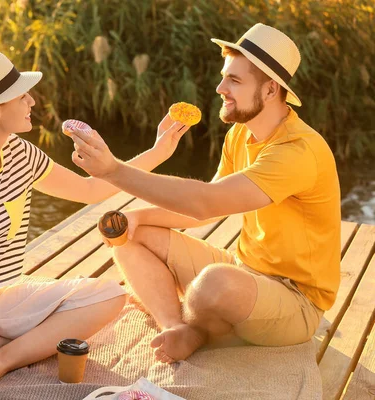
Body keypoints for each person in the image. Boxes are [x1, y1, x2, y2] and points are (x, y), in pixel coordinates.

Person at [0, 52, 189, 395]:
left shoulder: (21, 154)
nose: (32, 100)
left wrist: (159, 152)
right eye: (21, 95)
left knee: (110, 296)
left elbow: (90, 190)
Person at [69, 23, 341, 364]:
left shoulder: (298, 151)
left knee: (214, 284)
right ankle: (175, 327)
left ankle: (195, 326)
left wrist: (114, 171)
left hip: (295, 300)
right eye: (224, 76)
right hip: (246, 270)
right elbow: (210, 210)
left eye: (234, 80)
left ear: (271, 90)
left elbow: (204, 202)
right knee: (129, 236)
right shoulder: (240, 135)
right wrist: (137, 218)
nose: (220, 87)